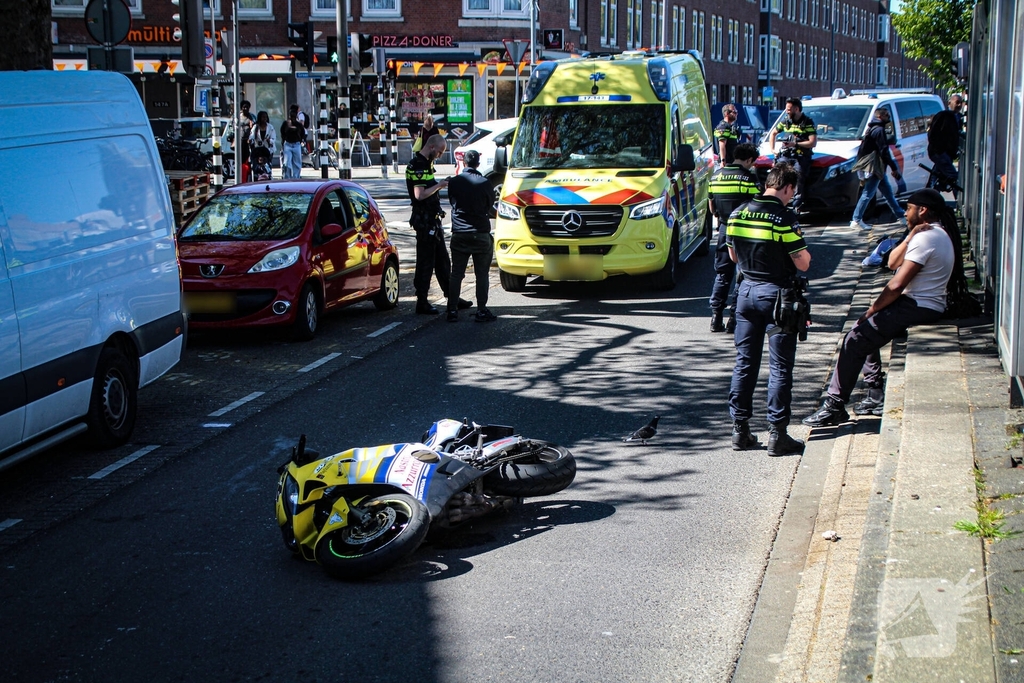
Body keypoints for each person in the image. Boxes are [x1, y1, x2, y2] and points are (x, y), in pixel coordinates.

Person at [803, 188, 956, 427]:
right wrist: (909, 236)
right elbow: (892, 262)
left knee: (855, 338)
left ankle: (835, 406)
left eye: (909, 208)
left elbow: (896, 285)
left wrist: (872, 310)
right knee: (863, 331)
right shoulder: (927, 234)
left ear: (922, 210)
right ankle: (874, 394)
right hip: (921, 304)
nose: (905, 213)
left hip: (918, 305)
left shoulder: (927, 238)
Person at [726, 163, 812, 457]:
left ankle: (740, 430)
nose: (791, 197)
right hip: (778, 298)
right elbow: (803, 263)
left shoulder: (738, 213)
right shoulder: (783, 217)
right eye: (792, 192)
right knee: (780, 367)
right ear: (787, 187)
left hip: (746, 293)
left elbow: (733, 256)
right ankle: (777, 434)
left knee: (745, 363)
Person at [407, 133, 472, 315]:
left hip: (432, 220)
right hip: (424, 221)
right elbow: (419, 195)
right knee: (426, 262)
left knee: (443, 260)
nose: (440, 155)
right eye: (440, 152)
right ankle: (422, 301)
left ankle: (452, 297)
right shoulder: (418, 165)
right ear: (432, 147)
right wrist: (440, 185)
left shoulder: (426, 163)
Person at [708, 143, 762, 333]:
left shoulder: (716, 176)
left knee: (723, 274)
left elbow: (712, 208)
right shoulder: (748, 178)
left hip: (724, 228)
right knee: (743, 274)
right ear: (749, 160)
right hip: (744, 232)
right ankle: (733, 319)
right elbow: (758, 206)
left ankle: (716, 317)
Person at [446, 150, 496, 323]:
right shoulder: (485, 182)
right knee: (482, 274)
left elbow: (452, 202)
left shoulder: (454, 182)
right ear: (478, 164)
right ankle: (481, 309)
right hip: (480, 232)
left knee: (456, 273)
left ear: (464, 163)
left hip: (460, 233)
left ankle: (452, 310)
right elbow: (490, 204)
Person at [850, 107, 906, 230]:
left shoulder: (871, 129)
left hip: (875, 167)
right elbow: (884, 150)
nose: (888, 117)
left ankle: (901, 216)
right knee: (868, 194)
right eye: (886, 115)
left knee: (888, 193)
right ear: (879, 116)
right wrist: (893, 167)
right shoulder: (879, 130)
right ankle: (856, 219)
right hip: (875, 167)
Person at [768, 98, 817, 210]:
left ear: (797, 109)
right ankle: (775, 204)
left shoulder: (807, 122)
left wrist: (795, 144)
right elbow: (773, 133)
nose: (787, 112)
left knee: (798, 179)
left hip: (801, 156)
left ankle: (796, 207)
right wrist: (773, 149)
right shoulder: (786, 121)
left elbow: (813, 142)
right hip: (786, 155)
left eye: (789, 110)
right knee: (778, 175)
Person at [927, 94, 964, 194]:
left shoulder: (959, 118)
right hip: (940, 153)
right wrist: (938, 150)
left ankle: (933, 194)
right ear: (949, 103)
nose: (959, 105)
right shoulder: (943, 116)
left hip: (946, 154)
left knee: (938, 176)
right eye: (957, 102)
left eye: (961, 103)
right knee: (953, 176)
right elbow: (932, 133)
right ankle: (958, 196)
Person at [248, 110, 276, 180]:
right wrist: (250, 140)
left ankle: (268, 175)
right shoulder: (256, 127)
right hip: (258, 150)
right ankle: (257, 176)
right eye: (263, 117)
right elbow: (251, 136)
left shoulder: (270, 127)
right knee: (257, 164)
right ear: (260, 118)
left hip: (268, 149)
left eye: (266, 117)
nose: (264, 119)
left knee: (267, 163)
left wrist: (269, 140)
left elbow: (273, 138)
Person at [280, 104, 306, 179]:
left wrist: (300, 141)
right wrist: (283, 142)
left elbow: (302, 133)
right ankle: (287, 178)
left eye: (294, 116)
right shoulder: (285, 123)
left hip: (296, 144)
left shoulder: (299, 125)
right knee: (287, 162)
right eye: (291, 116)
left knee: (297, 163)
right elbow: (282, 132)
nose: (292, 118)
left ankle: (296, 178)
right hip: (287, 144)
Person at [236, 100, 255, 179]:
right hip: (240, 141)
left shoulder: (252, 117)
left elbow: (256, 127)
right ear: (241, 108)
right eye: (244, 107)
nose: (245, 109)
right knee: (240, 160)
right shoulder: (238, 117)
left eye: (247, 107)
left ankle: (249, 175)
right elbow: (232, 127)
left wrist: (252, 126)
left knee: (249, 160)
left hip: (249, 141)